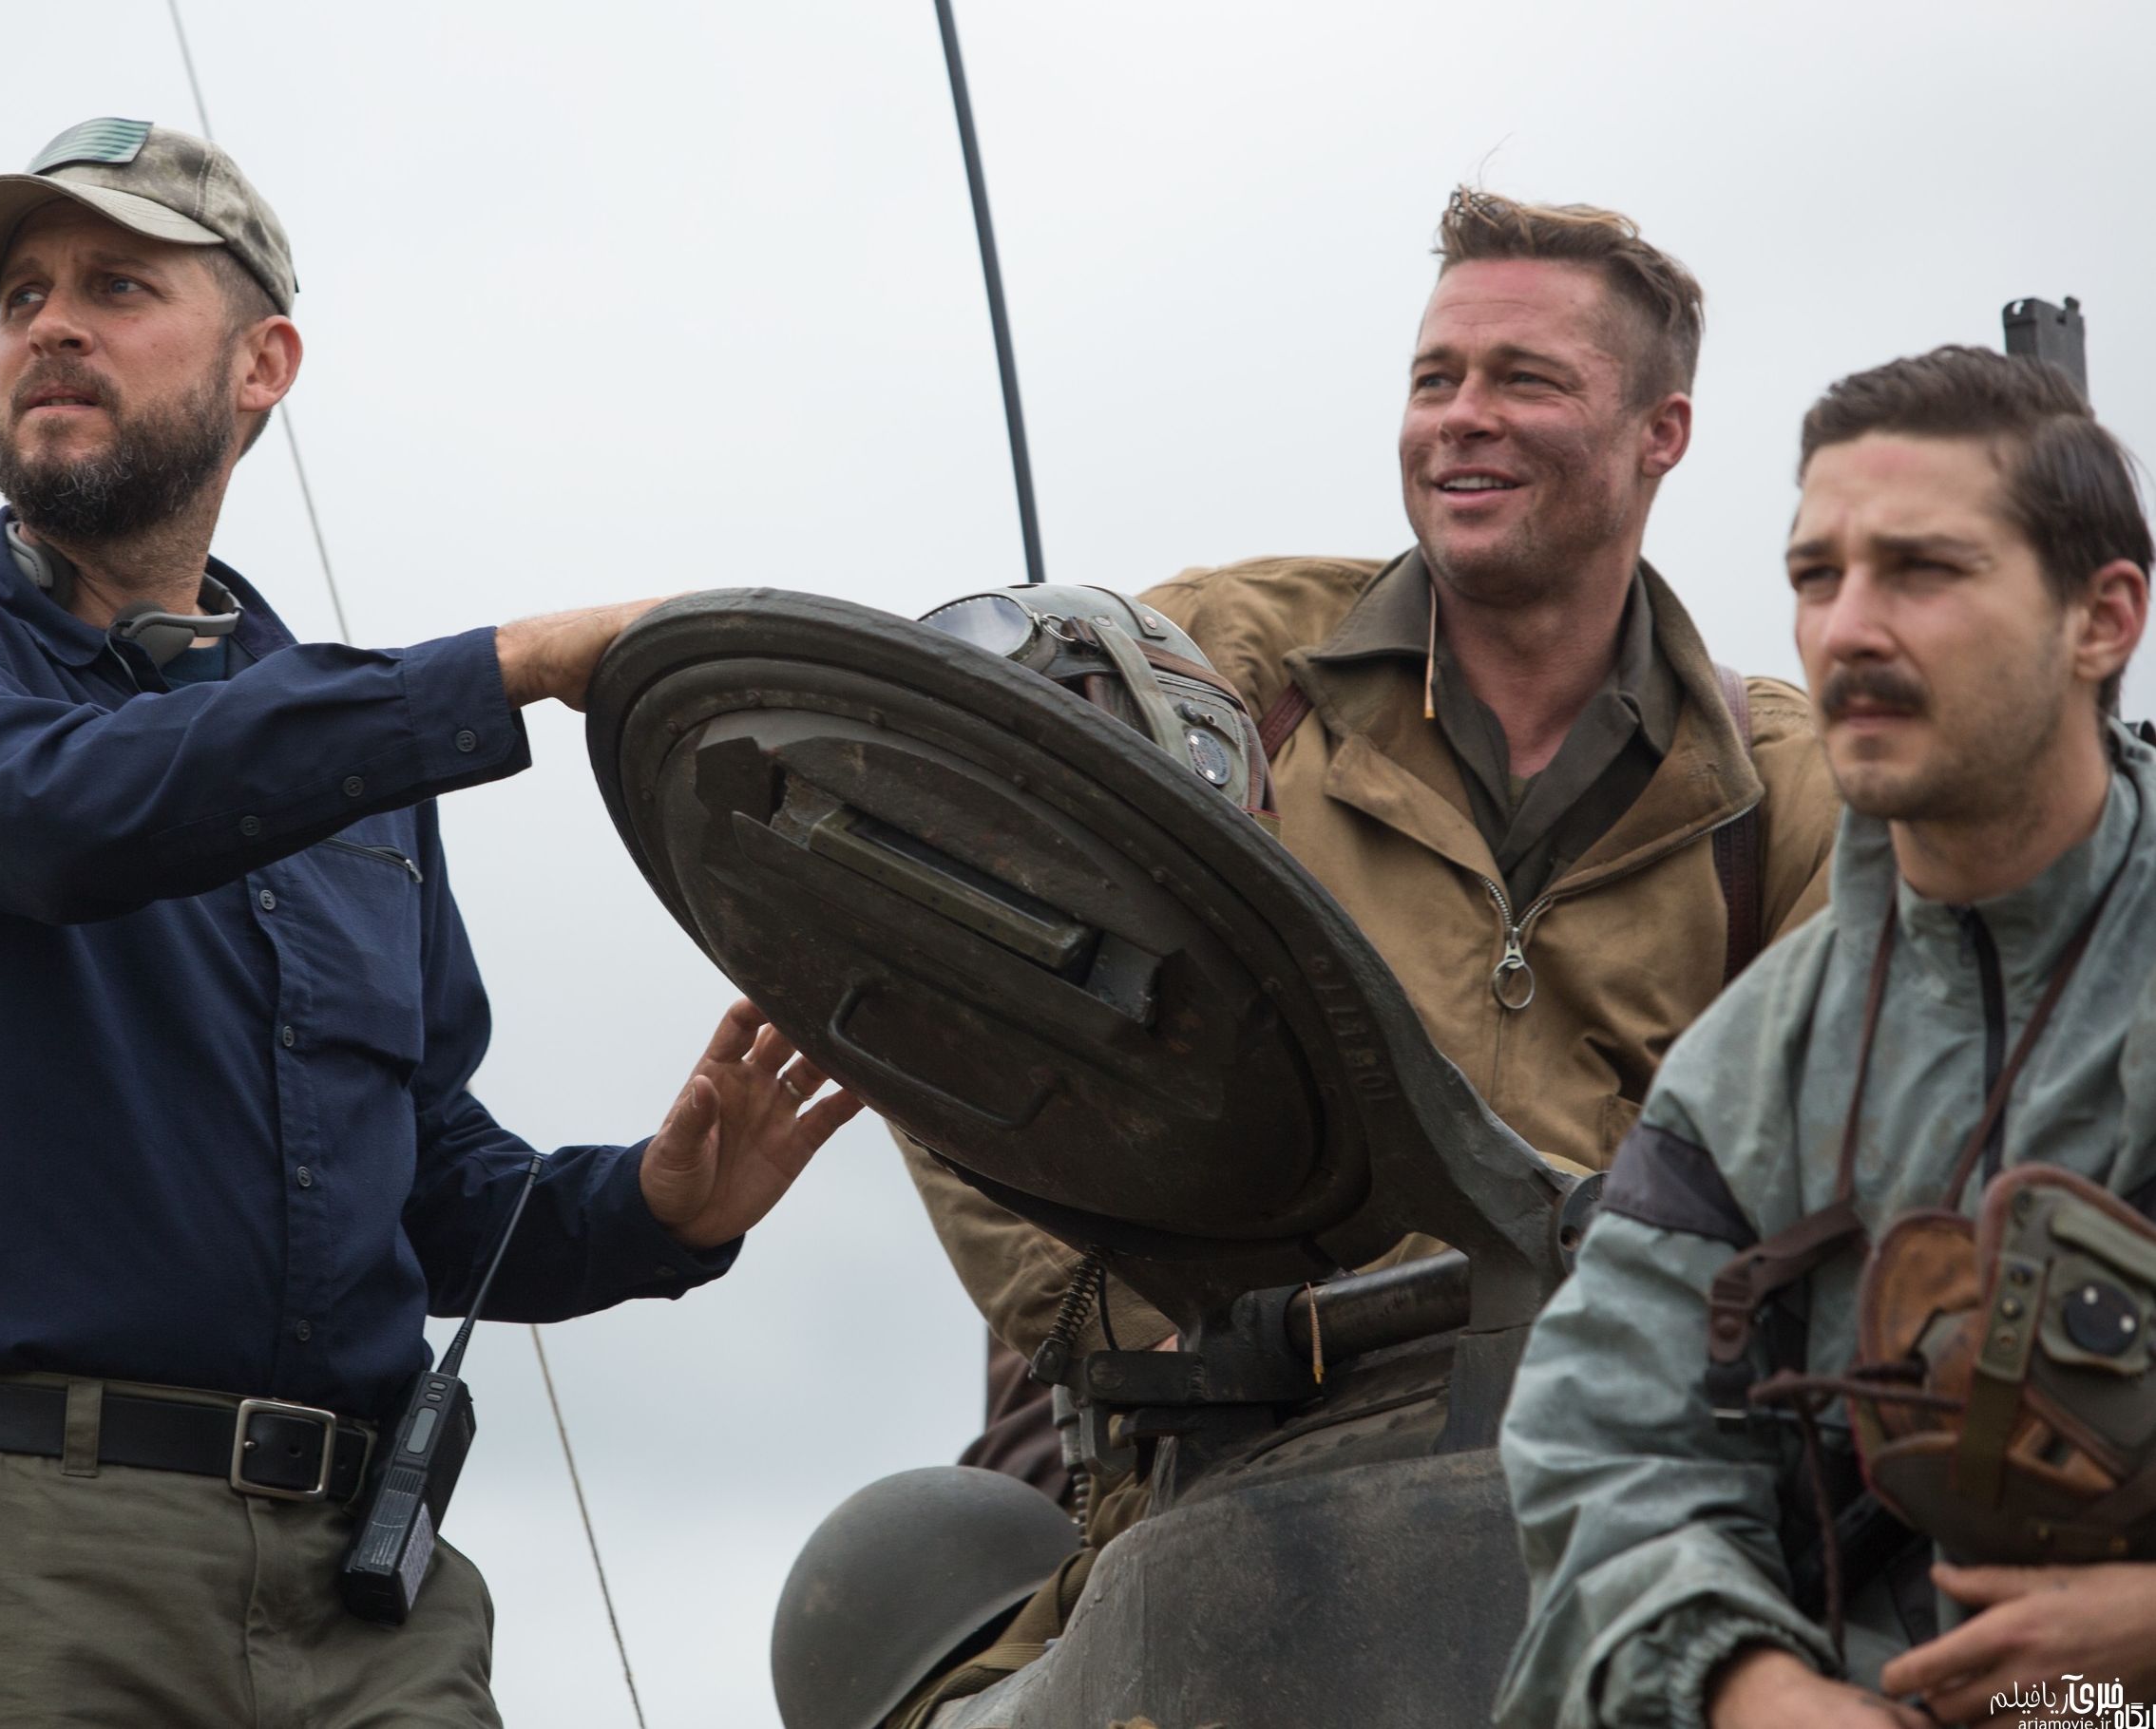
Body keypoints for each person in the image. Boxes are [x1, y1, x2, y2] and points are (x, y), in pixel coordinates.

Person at [0, 118, 859, 1729]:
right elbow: (69, 815)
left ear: (262, 364)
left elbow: (417, 1182)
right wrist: (505, 668)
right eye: (22, 296)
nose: (50, 324)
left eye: (117, 285)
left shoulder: (351, 772)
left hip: (360, 1585)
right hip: (3, 1552)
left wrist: (653, 1211)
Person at [901, 187, 1841, 1530]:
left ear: (1659, 435)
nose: (1462, 414)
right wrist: (1129, 1327)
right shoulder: (1218, 673)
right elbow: (915, 919)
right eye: (1434, 378)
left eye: (1524, 380)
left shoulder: (1780, 793)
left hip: (1625, 1495)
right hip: (1233, 1480)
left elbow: (1894, 1148)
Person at [1496, 346, 2156, 1728]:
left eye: (1921, 570)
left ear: (2100, 621)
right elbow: (1605, 1444)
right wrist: (1747, 1689)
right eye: (1815, 577)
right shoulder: (1749, 1072)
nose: (1849, 628)